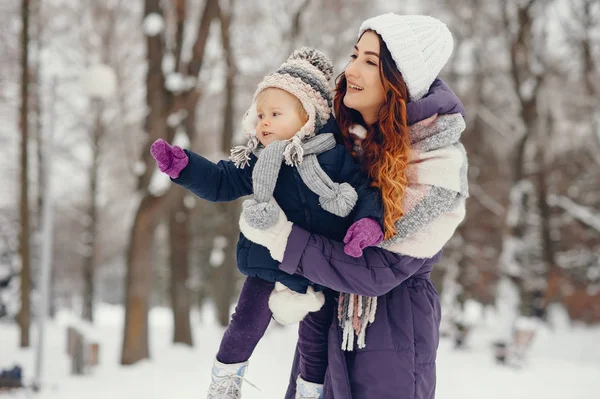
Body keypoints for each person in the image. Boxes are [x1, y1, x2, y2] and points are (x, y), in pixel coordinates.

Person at [238, 14, 468, 399]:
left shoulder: (436, 164)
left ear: (400, 81)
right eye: (354, 54)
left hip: (390, 336)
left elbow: (376, 270)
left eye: (370, 61)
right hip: (328, 324)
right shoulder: (346, 140)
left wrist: (280, 236)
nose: (351, 70)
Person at [150, 48, 385, 399]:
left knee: (315, 340)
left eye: (276, 113)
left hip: (318, 265)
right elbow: (221, 181)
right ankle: (225, 381)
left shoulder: (337, 157)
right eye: (260, 114)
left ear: (308, 116)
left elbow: (365, 191)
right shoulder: (260, 161)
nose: (264, 122)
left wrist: (368, 222)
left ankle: (311, 391)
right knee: (245, 323)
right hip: (267, 263)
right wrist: (185, 168)